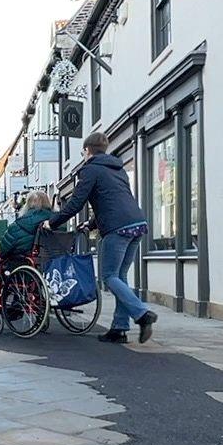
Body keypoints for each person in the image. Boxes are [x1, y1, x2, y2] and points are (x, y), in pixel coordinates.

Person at [52, 132, 155, 344]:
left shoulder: (90, 170)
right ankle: (119, 329)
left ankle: (142, 313)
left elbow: (76, 203)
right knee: (120, 276)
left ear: (87, 151)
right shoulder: (117, 169)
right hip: (137, 223)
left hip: (117, 228)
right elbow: (112, 200)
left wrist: (52, 222)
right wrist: (90, 224)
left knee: (108, 276)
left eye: (83, 152)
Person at [0, 190, 54, 326]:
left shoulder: (20, 224)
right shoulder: (57, 221)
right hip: (51, 267)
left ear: (28, 205)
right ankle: (21, 305)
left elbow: (3, 250)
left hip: (23, 264)